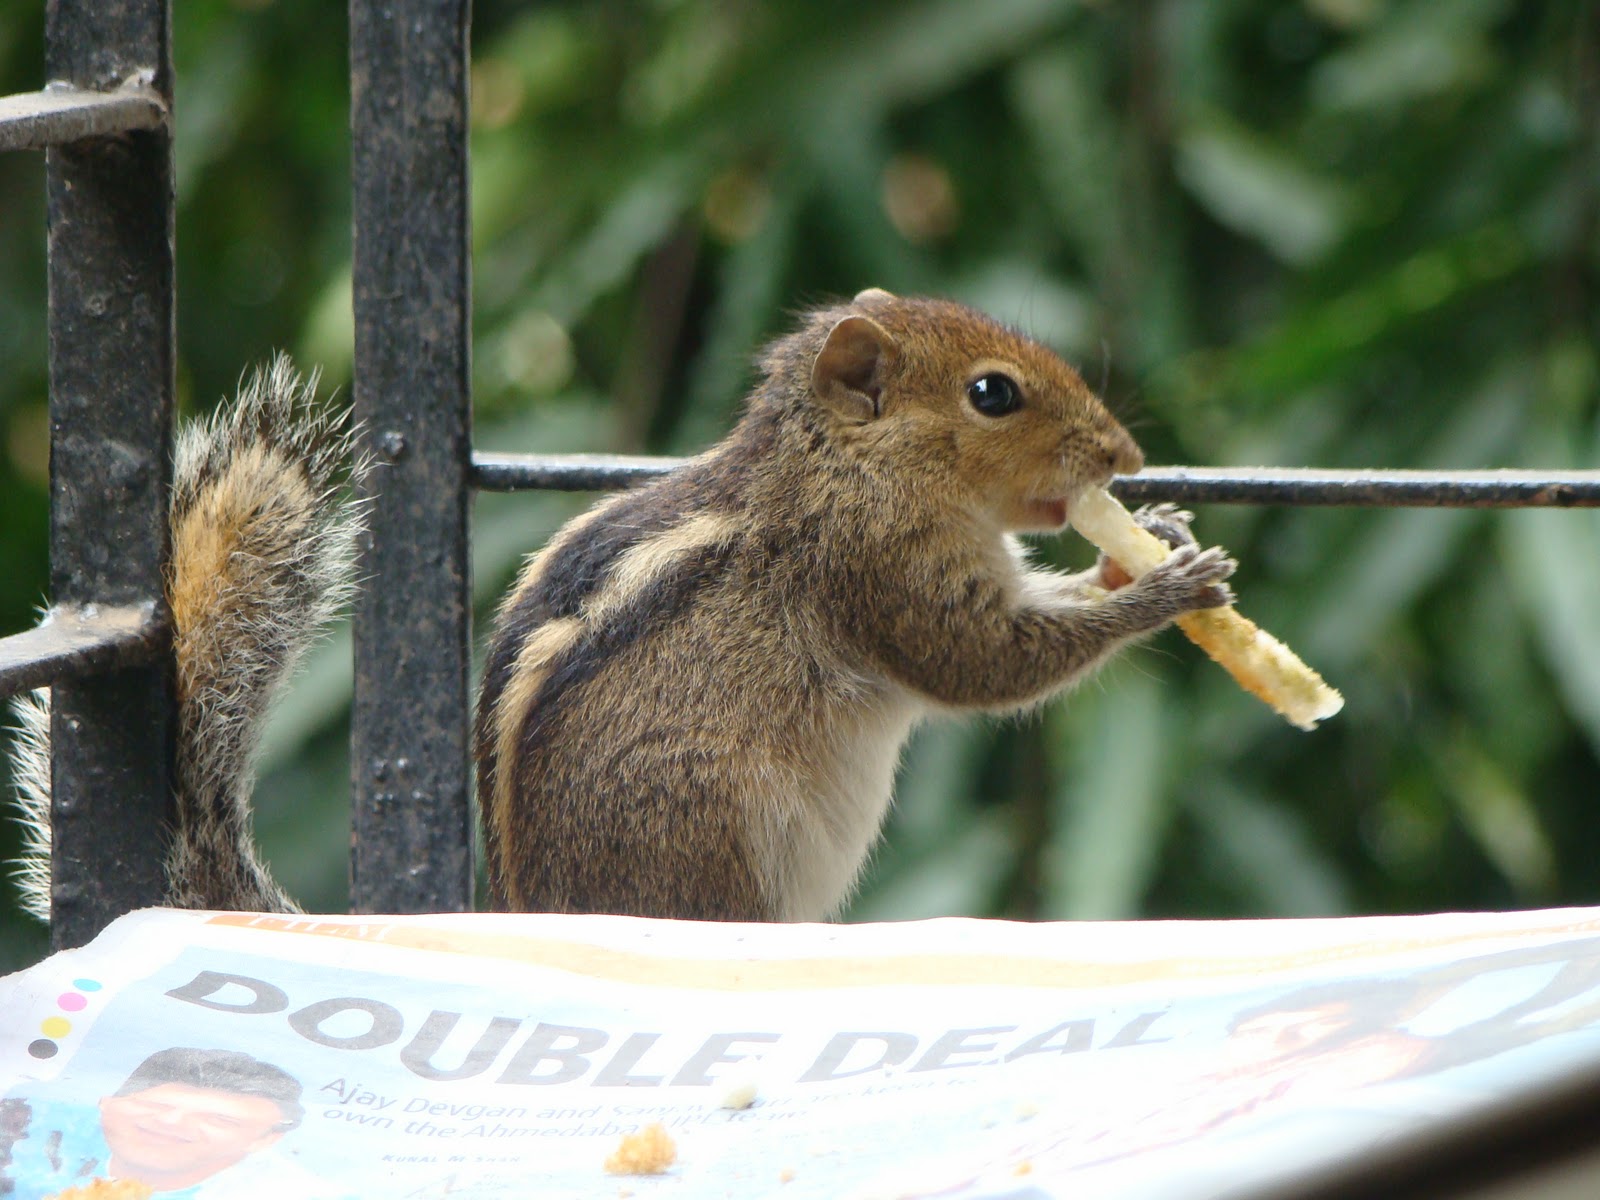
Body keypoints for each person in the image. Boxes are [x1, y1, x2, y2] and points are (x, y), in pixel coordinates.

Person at [2, 1048, 344, 1198]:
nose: (170, 1122)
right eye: (156, 1104)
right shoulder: (33, 1127)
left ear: (265, 1139)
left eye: (218, 1119)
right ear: (106, 1101)